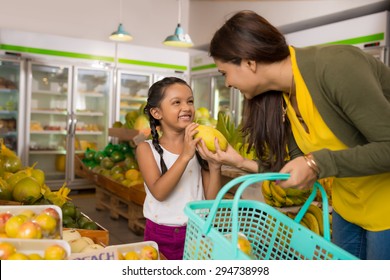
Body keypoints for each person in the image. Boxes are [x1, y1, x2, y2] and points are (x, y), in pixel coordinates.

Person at [206, 10, 390, 260]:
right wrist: (238, 162)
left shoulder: (337, 66)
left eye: (224, 72)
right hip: (349, 206)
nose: (227, 83)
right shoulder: (282, 99)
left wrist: (317, 163)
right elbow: (296, 168)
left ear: (249, 61)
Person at [135, 77, 222, 260]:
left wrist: (215, 166)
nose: (187, 107)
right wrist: (185, 156)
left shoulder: (199, 147)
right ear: (157, 113)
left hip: (198, 232)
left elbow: (210, 200)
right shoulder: (146, 149)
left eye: (190, 101)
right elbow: (159, 192)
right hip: (162, 235)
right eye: (177, 102)